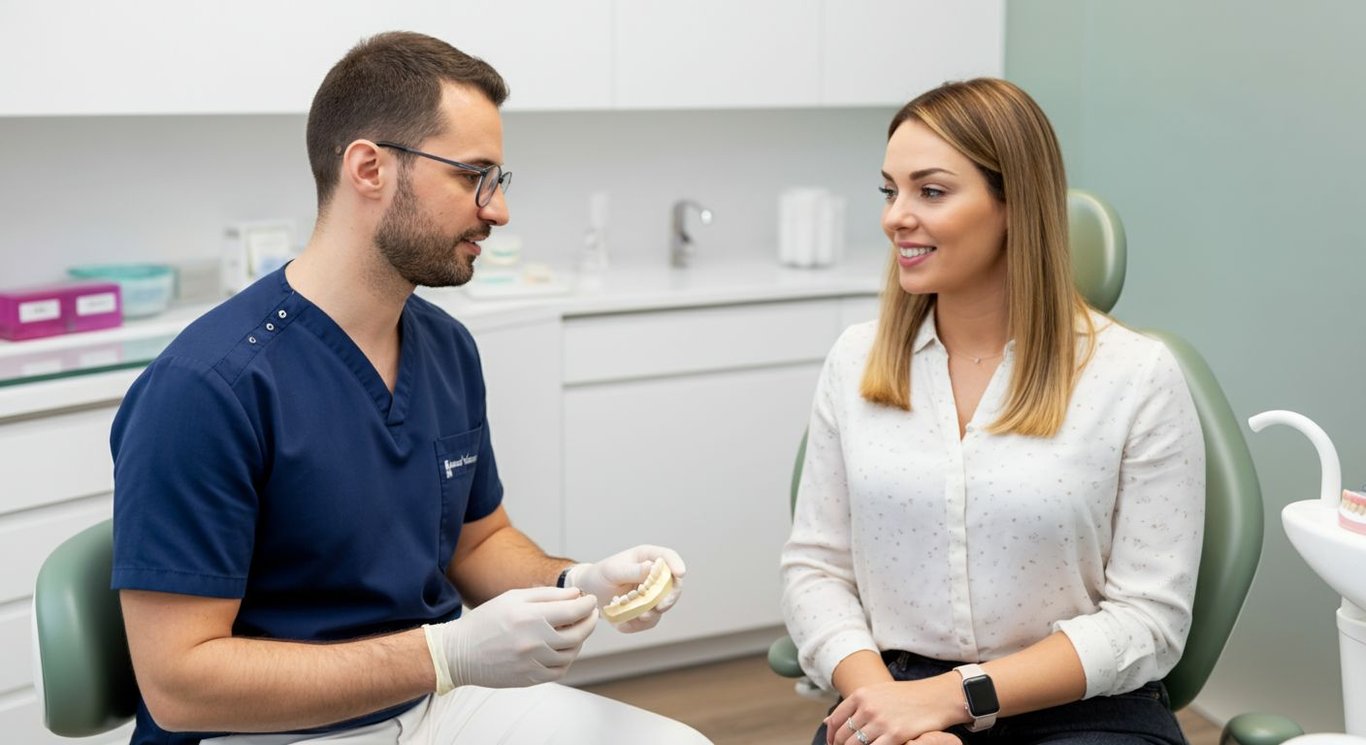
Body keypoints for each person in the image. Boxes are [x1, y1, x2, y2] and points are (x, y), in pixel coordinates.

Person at [110, 31, 709, 745]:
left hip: (430, 698)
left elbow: (478, 540)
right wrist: (443, 651)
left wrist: (577, 582)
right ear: (369, 168)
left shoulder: (445, 347)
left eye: (500, 180)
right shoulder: (208, 388)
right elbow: (180, 685)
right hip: (266, 730)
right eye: (472, 176)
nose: (498, 210)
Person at [780, 77, 1205, 745]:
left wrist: (954, 698)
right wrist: (895, 710)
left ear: (1015, 204)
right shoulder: (855, 360)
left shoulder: (1135, 376)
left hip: (1079, 706)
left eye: (932, 190)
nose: (896, 216)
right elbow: (816, 569)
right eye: (891, 191)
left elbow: (1149, 618)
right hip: (891, 693)